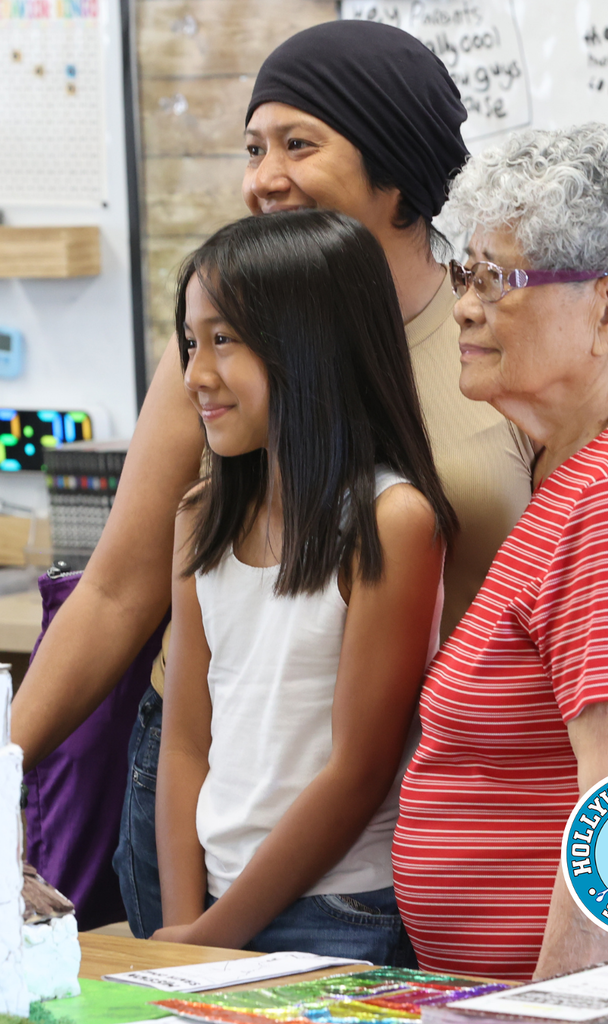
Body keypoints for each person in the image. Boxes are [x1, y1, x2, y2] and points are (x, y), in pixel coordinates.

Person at [11, 20, 534, 939]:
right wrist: (2, 775)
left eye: (300, 144)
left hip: (391, 809)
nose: (263, 177)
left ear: (399, 169)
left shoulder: (500, 326)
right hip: (204, 789)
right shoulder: (213, 358)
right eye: (253, 147)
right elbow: (117, 590)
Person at [392, 124, 608, 980]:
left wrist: (560, 1010)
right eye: (464, 272)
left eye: (498, 280)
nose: (465, 306)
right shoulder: (588, 474)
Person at [152, 209, 456, 960]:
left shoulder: (392, 520)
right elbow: (187, 740)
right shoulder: (199, 519)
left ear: (308, 346)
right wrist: (185, 925)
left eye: (222, 340)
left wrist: (209, 940)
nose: (195, 375)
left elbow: (359, 770)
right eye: (192, 342)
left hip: (340, 911)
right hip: (213, 910)